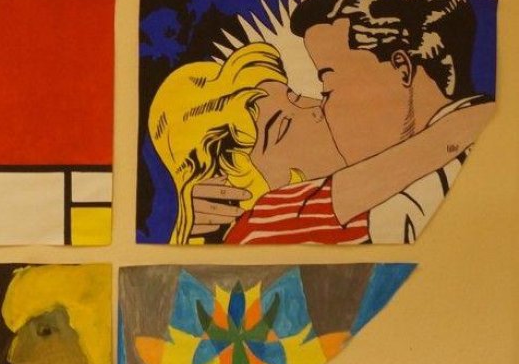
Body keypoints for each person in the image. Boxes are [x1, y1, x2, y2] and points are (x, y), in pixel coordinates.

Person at [148, 33, 494, 245]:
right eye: (281, 127)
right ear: (236, 184)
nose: (315, 109)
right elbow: (441, 141)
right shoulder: (261, 224)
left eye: (297, 96)